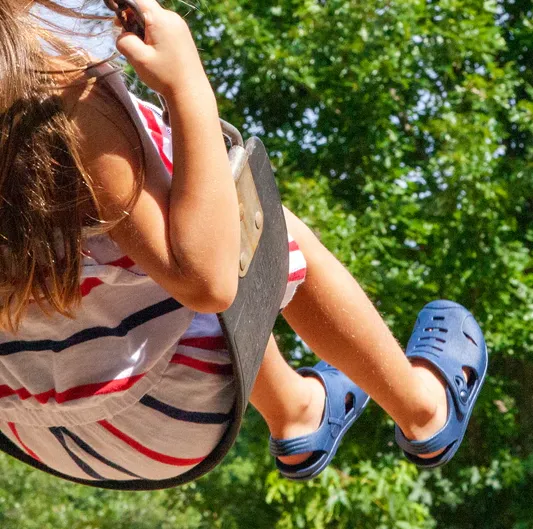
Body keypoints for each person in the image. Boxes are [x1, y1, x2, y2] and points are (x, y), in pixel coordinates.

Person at [0, 0, 487, 483]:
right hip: (159, 417)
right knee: (247, 216)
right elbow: (205, 283)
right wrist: (187, 85)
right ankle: (424, 409)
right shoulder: (53, 88)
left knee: (109, 245)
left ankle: (298, 411)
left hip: (27, 426)